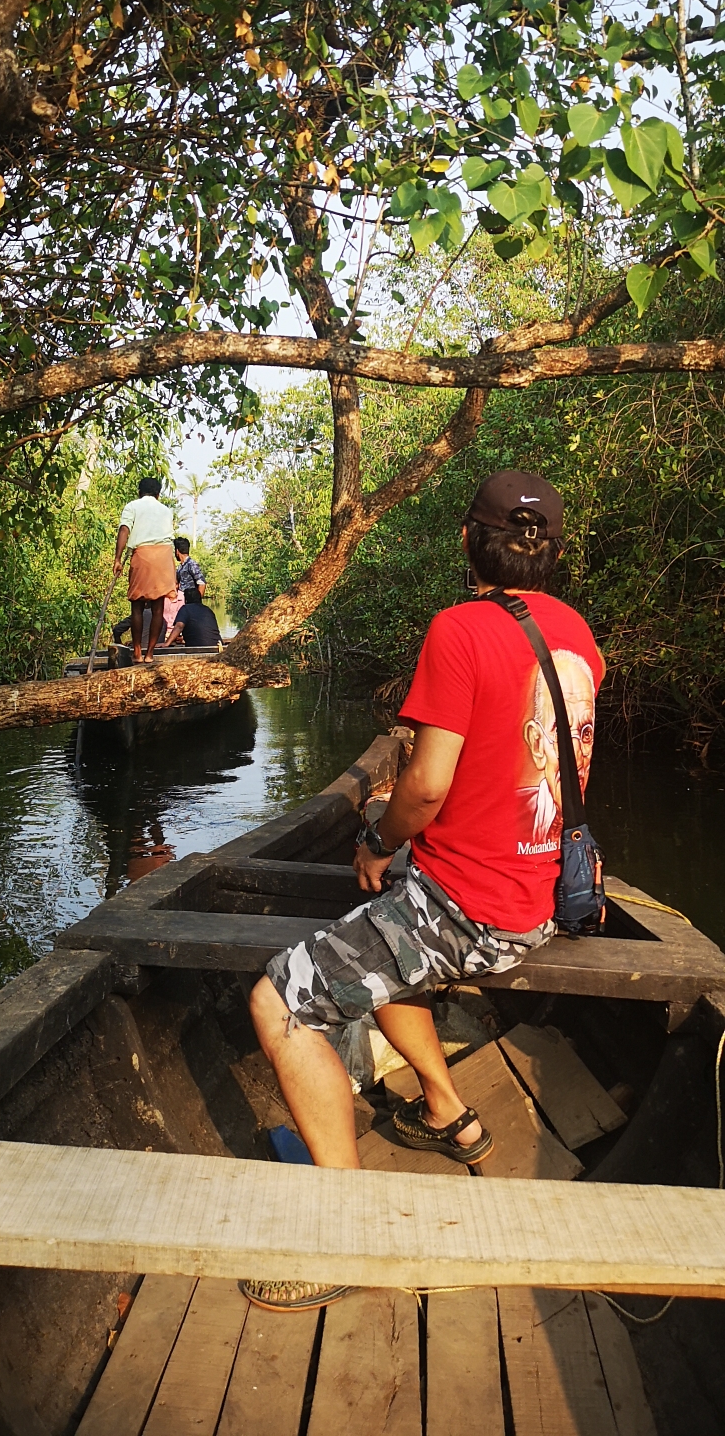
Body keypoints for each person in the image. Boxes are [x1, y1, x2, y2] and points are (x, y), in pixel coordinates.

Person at [242, 469, 604, 1312]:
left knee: (277, 1005)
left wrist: (375, 834)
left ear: (465, 542)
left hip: (471, 912)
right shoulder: (579, 635)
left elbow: (429, 787)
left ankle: (349, 1239)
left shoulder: (458, 629)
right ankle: (448, 1109)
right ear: (551, 556)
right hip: (548, 896)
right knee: (377, 928)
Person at [113, 477, 176, 664]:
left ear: (139, 492)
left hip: (143, 554)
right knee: (158, 608)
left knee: (137, 606)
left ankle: (137, 653)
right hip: (164, 556)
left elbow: (124, 530)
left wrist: (117, 558)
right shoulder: (166, 510)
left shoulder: (132, 506)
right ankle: (150, 655)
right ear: (158, 494)